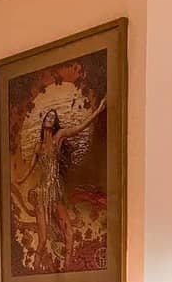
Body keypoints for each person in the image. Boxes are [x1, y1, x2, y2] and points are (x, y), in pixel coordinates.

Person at [15, 97, 107, 268]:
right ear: (43, 122)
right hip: (42, 193)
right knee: (42, 240)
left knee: (69, 232)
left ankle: (67, 269)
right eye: (47, 117)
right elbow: (29, 169)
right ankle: (35, 271)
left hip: (56, 192)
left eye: (52, 118)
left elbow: (79, 128)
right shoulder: (38, 146)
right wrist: (19, 180)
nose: (49, 119)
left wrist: (98, 111)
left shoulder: (59, 136)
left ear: (55, 122)